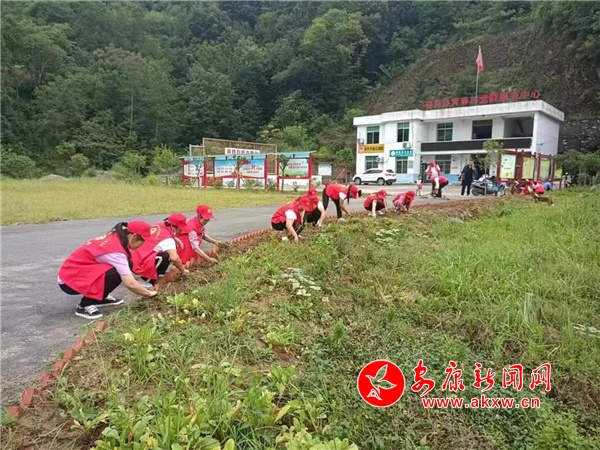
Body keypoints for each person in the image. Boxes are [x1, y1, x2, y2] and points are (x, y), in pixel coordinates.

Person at [58, 221, 159, 320]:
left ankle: (100, 298)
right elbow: (130, 284)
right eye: (143, 241)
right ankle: (84, 305)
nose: (142, 245)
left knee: (127, 264)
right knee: (114, 273)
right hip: (69, 282)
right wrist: (149, 293)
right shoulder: (116, 252)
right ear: (134, 237)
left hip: (76, 272)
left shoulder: (116, 236)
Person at [131, 213, 190, 288]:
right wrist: (183, 270)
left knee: (167, 252)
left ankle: (157, 277)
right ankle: (145, 281)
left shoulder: (159, 225)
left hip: (134, 257)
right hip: (138, 263)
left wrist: (174, 239)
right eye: (180, 229)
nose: (181, 231)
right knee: (166, 256)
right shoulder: (168, 240)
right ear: (174, 227)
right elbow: (174, 258)